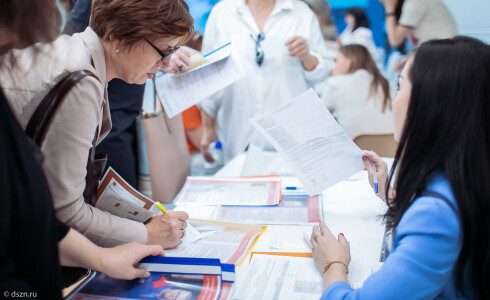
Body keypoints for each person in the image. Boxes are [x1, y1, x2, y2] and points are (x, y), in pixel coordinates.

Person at [0, 1, 166, 299]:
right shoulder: (79, 78)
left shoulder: (75, 59)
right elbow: (64, 212)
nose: (165, 63)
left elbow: (46, 211)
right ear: (118, 37)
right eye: (163, 50)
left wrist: (103, 257)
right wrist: (147, 234)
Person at [311, 36, 490, 299]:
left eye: (400, 86)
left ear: (429, 104)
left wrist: (332, 264)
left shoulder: (437, 215)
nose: (395, 98)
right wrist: (389, 194)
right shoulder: (468, 175)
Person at [199, 0, 333, 163]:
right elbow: (209, 76)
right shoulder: (222, 12)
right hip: (238, 130)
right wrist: (206, 128)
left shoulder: (301, 13)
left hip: (292, 135)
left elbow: (322, 73)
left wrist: (307, 56)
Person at [321, 44, 393, 139]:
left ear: (348, 61)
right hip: (391, 148)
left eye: (336, 61)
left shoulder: (334, 83)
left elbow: (319, 115)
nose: (333, 68)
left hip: (357, 149)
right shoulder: (385, 84)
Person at [380, 0, 458, 47]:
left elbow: (395, 40)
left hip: (445, 53)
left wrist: (389, 8)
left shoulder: (415, 2)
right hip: (440, 50)